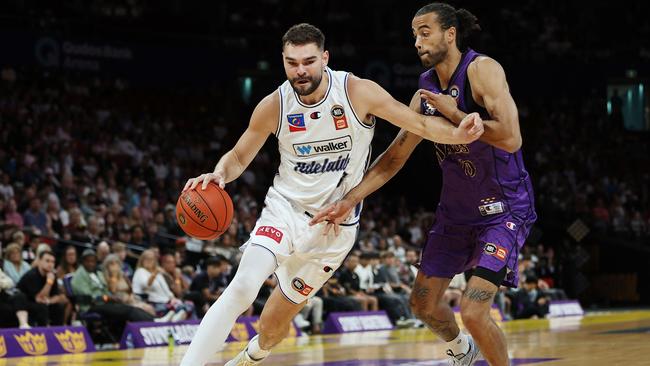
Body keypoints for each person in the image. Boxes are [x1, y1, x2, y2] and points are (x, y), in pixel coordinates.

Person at [179, 23, 483, 366]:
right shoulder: (274, 105)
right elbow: (237, 157)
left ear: (325, 58)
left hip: (332, 230)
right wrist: (219, 174)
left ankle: (251, 357)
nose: (301, 70)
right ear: (283, 61)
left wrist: (459, 133)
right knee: (243, 287)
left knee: (271, 328)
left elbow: (420, 125)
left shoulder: (357, 92)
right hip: (285, 210)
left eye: (308, 61)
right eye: (292, 62)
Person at [310, 4, 536, 365]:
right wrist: (348, 200)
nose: (417, 41)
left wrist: (455, 112)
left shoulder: (482, 70)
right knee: (422, 305)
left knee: (475, 312)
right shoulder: (424, 93)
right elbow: (395, 157)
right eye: (414, 34)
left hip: (503, 209)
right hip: (455, 216)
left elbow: (511, 138)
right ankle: (462, 351)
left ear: (451, 33)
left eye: (425, 31)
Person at [17, 250, 68, 326]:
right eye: (47, 261)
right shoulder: (32, 275)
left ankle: (58, 331)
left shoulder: (52, 274)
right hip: (23, 304)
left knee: (58, 307)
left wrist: (49, 301)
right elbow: (39, 299)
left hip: (41, 302)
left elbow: (57, 296)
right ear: (40, 261)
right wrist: (49, 282)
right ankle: (43, 332)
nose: (50, 264)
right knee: (42, 307)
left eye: (53, 262)